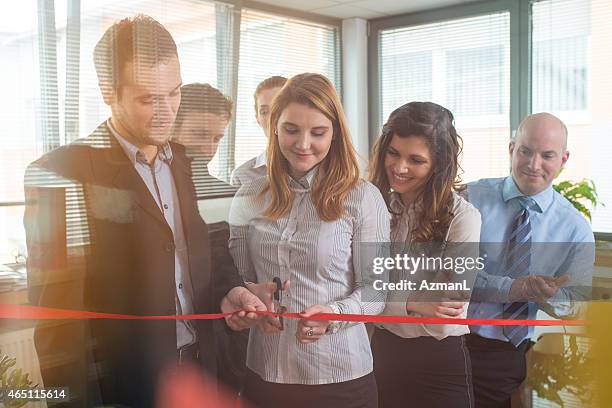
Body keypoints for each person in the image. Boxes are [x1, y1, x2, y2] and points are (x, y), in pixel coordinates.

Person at [24, 15, 264, 407]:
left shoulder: (186, 161)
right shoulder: (59, 173)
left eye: (174, 93)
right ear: (108, 92)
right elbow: (57, 321)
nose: (166, 111)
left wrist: (229, 290)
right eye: (148, 99)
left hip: (202, 371)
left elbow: (203, 250)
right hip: (126, 388)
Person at [228, 73, 390, 408]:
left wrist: (333, 313)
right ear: (274, 127)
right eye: (291, 130)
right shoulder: (249, 195)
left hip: (339, 378)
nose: (303, 144)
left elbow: (377, 290)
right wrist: (252, 303)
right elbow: (240, 277)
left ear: (335, 134)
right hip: (265, 374)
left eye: (318, 132)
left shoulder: (362, 198)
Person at [465, 112, 594, 407]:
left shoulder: (575, 228)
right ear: (512, 149)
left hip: (506, 352)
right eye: (525, 151)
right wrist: (517, 288)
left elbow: (578, 304)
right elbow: (453, 274)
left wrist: (551, 297)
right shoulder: (470, 198)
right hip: (447, 338)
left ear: (563, 159)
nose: (534, 165)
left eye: (547, 155)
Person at [369, 102, 481, 408]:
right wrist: (413, 301)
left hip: (438, 361)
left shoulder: (463, 217)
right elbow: (359, 285)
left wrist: (382, 295)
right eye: (393, 153)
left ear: (438, 164)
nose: (400, 167)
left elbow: (448, 305)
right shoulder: (372, 205)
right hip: (381, 354)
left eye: (415, 160)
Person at [172, 83, 237, 196]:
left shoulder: (228, 197)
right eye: (200, 134)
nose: (209, 151)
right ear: (171, 129)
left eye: (216, 139)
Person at [230, 75, 287, 186]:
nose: (272, 118)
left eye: (279, 108)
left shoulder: (320, 170)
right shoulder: (242, 176)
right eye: (265, 112)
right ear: (257, 118)